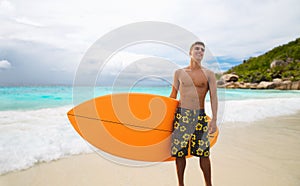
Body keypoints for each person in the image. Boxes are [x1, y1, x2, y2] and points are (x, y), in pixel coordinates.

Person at [169, 41, 218, 186]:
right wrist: (163, 116)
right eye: (197, 49)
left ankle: (209, 184)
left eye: (202, 50)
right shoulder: (179, 73)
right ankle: (181, 184)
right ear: (190, 52)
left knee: (204, 153)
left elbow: (214, 97)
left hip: (200, 116)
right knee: (179, 153)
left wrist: (214, 119)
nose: (200, 51)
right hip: (181, 115)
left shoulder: (209, 74)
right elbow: (173, 95)